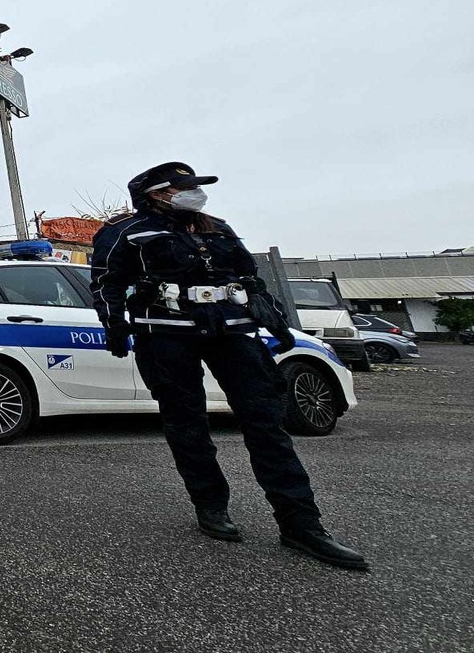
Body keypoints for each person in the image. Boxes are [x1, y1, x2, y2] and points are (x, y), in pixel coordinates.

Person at [91, 162, 367, 570]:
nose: (194, 193)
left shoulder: (215, 227)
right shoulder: (126, 232)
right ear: (157, 193)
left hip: (232, 331)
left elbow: (249, 276)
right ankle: (210, 505)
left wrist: (271, 317)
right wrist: (115, 324)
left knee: (265, 422)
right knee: (186, 423)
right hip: (166, 334)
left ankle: (301, 524)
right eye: (184, 187)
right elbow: (106, 281)